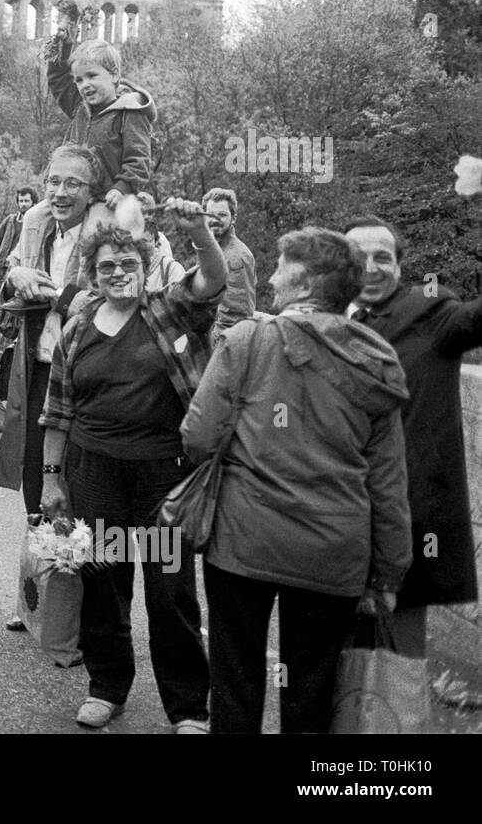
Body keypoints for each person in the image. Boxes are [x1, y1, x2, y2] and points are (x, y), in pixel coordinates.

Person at [183, 227, 412, 733]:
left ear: (304, 281)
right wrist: (390, 573)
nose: (269, 277)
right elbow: (389, 484)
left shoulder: (247, 341)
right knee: (310, 692)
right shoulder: (376, 358)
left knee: (236, 681)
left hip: (245, 541)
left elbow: (197, 436)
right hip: (334, 553)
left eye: (281, 266)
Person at [40, 203, 227, 734]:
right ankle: (107, 688)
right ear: (91, 274)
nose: (118, 273)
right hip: (96, 475)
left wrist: (200, 235)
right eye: (106, 267)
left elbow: (213, 280)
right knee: (103, 585)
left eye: (127, 264)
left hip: (163, 479)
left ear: (145, 269)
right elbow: (58, 408)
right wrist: (53, 479)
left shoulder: (169, 311)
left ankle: (188, 706)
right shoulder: (76, 329)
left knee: (170, 592)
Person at [343, 214, 480, 656]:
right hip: (330, 521)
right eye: (356, 257)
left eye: (382, 257)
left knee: (396, 672)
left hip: (407, 519)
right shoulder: (317, 320)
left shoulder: (430, 313)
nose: (370, 268)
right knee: (323, 671)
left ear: (401, 266)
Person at [0, 146, 111, 610]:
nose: (60, 193)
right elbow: (13, 291)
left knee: (77, 487)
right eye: (53, 183)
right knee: (36, 481)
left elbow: (93, 303)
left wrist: (54, 292)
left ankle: (81, 609)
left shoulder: (105, 236)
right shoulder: (37, 230)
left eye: (73, 184)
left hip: (85, 381)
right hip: (36, 371)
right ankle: (41, 597)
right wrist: (16, 274)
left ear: (91, 192)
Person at [43, 35, 154, 207]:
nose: (84, 84)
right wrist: (63, 40)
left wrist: (121, 189)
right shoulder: (78, 105)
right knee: (33, 217)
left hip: (105, 201)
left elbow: (139, 161)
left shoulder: (130, 112)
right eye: (79, 80)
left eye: (92, 76)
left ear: (114, 75)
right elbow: (58, 77)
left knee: (92, 231)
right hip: (70, 196)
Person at [0, 187, 37, 361]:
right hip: (2, 273)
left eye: (27, 201)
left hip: (19, 275)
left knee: (12, 315)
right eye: (21, 200)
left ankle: (0, 351)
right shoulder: (10, 221)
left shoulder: (35, 223)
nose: (23, 204)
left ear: (33, 202)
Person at [202, 187, 256, 346]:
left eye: (222, 214)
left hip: (227, 346)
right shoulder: (213, 251)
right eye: (210, 214)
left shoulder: (236, 257)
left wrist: (213, 350)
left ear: (233, 218)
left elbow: (235, 318)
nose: (214, 219)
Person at [136, 191, 186, 292]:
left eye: (146, 212)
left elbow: (165, 269)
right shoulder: (129, 241)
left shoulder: (161, 238)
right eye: (138, 212)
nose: (142, 217)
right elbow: (128, 296)